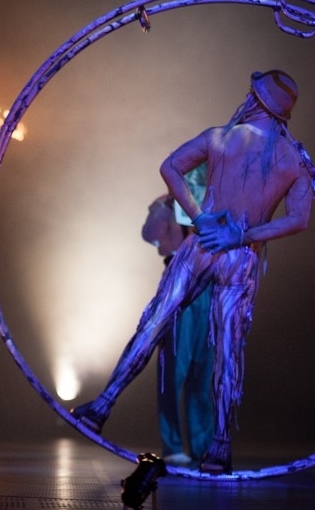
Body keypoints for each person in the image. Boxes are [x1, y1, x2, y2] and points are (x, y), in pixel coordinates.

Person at [71, 70, 315, 474]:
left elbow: (170, 167)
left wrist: (201, 218)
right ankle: (219, 447)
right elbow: (298, 219)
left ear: (257, 101)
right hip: (239, 256)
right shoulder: (292, 159)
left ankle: (103, 404)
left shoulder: (221, 137)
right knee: (226, 351)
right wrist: (244, 236)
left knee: (154, 324)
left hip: (202, 246)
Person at [141, 166, 215, 467]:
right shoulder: (166, 205)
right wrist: (163, 205)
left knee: (205, 370)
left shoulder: (212, 203)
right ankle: (172, 444)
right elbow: (148, 235)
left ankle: (204, 445)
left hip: (210, 285)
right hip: (179, 284)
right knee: (174, 369)